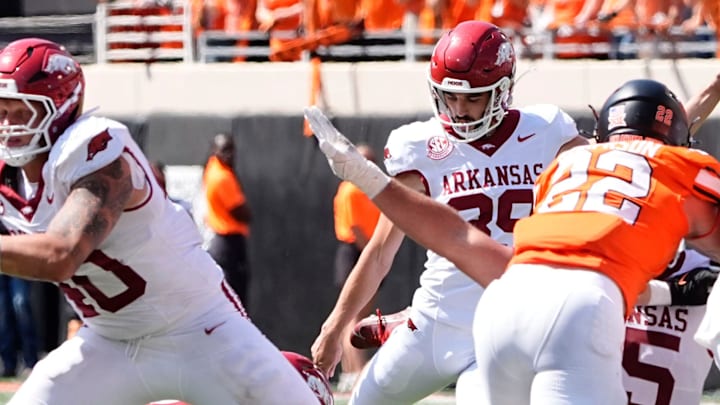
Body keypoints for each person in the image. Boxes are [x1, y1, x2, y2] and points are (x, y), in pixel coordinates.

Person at [304, 76, 720, 403]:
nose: (462, 110)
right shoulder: (686, 167)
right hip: (579, 307)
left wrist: (368, 178)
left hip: (503, 299)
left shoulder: (571, 165)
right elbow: (593, 270)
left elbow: (459, 238)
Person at [0, 38, 317, 404]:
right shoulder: (8, 176)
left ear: (61, 108)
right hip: (109, 341)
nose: (9, 126)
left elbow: (61, 255)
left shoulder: (96, 150)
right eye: (2, 112)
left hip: (200, 329)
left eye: (22, 112)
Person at [310, 20, 589, 404]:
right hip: (439, 319)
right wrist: (334, 326)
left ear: (503, 90)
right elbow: (378, 253)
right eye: (450, 97)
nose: (460, 110)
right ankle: (404, 323)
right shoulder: (421, 146)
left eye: (473, 98)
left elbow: (609, 168)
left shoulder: (545, 130)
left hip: (512, 325)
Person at [331, 143, 381, 392]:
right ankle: (355, 372)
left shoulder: (372, 189)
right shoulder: (350, 189)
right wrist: (373, 255)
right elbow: (356, 229)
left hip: (367, 253)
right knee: (352, 316)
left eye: (371, 160)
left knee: (357, 315)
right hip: (355, 254)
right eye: (363, 160)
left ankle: (351, 372)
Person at [203, 133, 252, 306]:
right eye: (224, 150)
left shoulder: (212, 168)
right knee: (234, 300)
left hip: (220, 241)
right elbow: (242, 213)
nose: (229, 155)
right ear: (214, 151)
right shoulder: (222, 177)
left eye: (231, 150)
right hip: (228, 243)